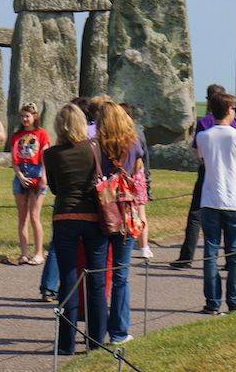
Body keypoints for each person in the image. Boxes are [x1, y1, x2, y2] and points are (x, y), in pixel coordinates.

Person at [45, 104, 109, 356]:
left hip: (64, 216)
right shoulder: (94, 148)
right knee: (96, 279)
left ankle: (66, 343)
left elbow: (54, 188)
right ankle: (95, 341)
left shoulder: (51, 154)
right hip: (93, 216)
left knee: (68, 281)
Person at [170, 84, 236, 269]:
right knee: (231, 215)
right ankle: (231, 259)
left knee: (196, 214)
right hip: (233, 172)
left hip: (208, 170)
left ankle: (187, 255)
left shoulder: (204, 122)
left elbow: (197, 150)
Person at [196, 93, 236, 315]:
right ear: (229, 109)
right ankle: (234, 300)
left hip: (211, 199)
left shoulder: (203, 136)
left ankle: (212, 301)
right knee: (235, 254)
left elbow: (203, 160)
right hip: (235, 200)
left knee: (210, 252)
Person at [97, 101, 145, 345]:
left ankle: (96, 329)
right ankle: (119, 332)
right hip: (126, 212)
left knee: (98, 273)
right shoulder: (134, 143)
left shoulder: (96, 146)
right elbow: (137, 171)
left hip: (102, 211)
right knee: (121, 275)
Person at [9, 102, 51, 264]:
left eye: (27, 116)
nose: (24, 119)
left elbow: (44, 156)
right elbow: (14, 160)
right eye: (22, 116)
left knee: (35, 216)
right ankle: (24, 253)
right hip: (21, 174)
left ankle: (39, 252)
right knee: (22, 217)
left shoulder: (41, 134)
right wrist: (19, 176)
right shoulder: (16, 136)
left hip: (36, 173)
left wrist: (44, 176)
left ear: (34, 117)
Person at [121, 102, 154, 258]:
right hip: (138, 175)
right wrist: (147, 180)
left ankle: (124, 242)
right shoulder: (139, 133)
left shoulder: (116, 134)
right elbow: (144, 157)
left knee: (121, 213)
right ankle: (144, 246)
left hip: (124, 177)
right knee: (141, 212)